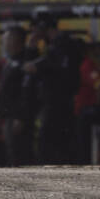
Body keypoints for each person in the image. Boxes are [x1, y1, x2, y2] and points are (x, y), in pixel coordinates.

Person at [25, 12, 83, 164]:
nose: (33, 33)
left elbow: (63, 71)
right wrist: (32, 50)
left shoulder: (64, 44)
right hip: (51, 102)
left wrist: (40, 67)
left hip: (60, 103)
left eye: (35, 29)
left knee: (51, 145)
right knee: (51, 144)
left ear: (43, 27)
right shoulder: (52, 46)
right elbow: (32, 68)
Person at [0, 25, 39, 165]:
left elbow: (27, 90)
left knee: (21, 154)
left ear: (15, 40)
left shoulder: (26, 60)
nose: (4, 44)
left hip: (19, 118)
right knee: (12, 154)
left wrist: (21, 117)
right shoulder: (10, 62)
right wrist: (0, 114)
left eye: (6, 39)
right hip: (8, 116)